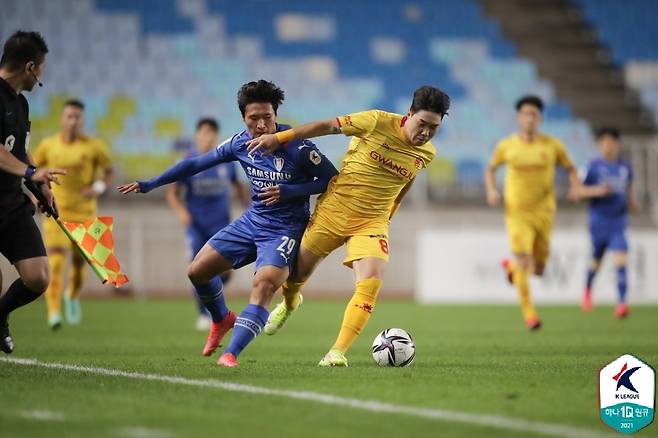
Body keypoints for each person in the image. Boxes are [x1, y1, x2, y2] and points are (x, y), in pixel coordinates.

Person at [118, 80, 338, 367]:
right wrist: (152, 183)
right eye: (253, 119)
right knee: (197, 271)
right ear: (243, 118)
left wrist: (290, 191)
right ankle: (222, 319)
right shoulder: (239, 144)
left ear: (276, 114)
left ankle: (231, 353)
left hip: (284, 229)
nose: (260, 125)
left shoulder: (296, 145)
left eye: (267, 117)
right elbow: (195, 164)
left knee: (265, 283)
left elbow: (331, 178)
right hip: (252, 221)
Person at [247, 85, 450, 367]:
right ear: (409, 114)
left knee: (370, 283)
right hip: (334, 211)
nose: (426, 133)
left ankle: (336, 352)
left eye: (434, 128)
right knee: (293, 277)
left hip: (372, 221)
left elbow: (408, 179)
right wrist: (278, 138)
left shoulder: (426, 153)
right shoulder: (376, 121)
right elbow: (327, 126)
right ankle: (291, 302)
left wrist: (391, 211)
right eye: (422, 124)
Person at [484, 95, 584, 330]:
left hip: (545, 212)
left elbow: (571, 168)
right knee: (524, 260)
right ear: (519, 117)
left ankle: (510, 268)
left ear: (540, 118)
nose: (530, 118)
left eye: (534, 114)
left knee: (537, 269)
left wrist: (576, 186)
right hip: (517, 212)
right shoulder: (506, 145)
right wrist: (491, 190)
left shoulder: (552, 145)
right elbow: (490, 169)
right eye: (526, 114)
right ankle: (530, 314)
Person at [0, 30, 66, 353]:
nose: (41, 74)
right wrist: (29, 172)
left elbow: (21, 151)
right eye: (41, 68)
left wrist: (39, 184)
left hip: (11, 205)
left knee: (39, 277)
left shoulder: (22, 105)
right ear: (30, 67)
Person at [33, 99, 113, 329]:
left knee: (79, 266)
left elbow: (109, 172)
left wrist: (97, 188)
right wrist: (37, 195)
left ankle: (72, 296)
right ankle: (54, 312)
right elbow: (35, 172)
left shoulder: (94, 146)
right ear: (62, 119)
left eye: (77, 117)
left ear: (83, 120)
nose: (73, 121)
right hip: (56, 212)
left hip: (85, 213)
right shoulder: (48, 145)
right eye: (69, 116)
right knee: (56, 262)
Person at [165, 117, 250, 331]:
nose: (207, 137)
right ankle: (205, 314)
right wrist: (182, 212)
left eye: (211, 133)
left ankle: (213, 303)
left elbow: (238, 186)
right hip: (196, 226)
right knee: (197, 268)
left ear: (216, 136)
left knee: (225, 272)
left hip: (221, 226)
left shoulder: (225, 162)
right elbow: (172, 193)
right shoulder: (188, 161)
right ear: (197, 135)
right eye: (204, 132)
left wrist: (248, 206)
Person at [580, 127, 639, 318]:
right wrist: (597, 191)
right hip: (599, 221)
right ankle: (588, 290)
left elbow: (629, 190)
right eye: (604, 142)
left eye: (611, 142)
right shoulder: (592, 166)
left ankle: (622, 303)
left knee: (621, 259)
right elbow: (577, 192)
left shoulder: (625, 168)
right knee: (596, 261)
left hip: (618, 221)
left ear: (617, 144)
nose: (608, 146)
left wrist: (633, 204)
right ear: (599, 145)